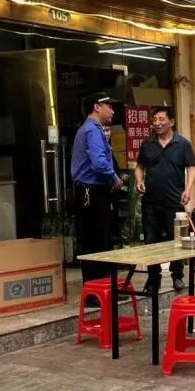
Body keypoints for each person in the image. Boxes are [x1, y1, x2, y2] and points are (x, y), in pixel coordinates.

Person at [135, 106, 195, 292]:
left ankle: (177, 275)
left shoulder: (182, 144)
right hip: (150, 202)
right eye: (155, 120)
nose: (157, 123)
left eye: (161, 119)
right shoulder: (147, 144)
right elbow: (139, 166)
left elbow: (192, 168)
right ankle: (153, 278)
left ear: (172, 122)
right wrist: (139, 180)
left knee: (176, 240)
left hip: (174, 201)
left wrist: (188, 190)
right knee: (150, 242)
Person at [71, 93, 122, 284]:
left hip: (92, 191)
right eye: (109, 106)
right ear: (97, 107)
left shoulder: (92, 129)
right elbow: (99, 163)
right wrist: (114, 178)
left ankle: (103, 288)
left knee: (99, 240)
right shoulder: (92, 130)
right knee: (96, 242)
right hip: (91, 192)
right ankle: (98, 288)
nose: (113, 111)